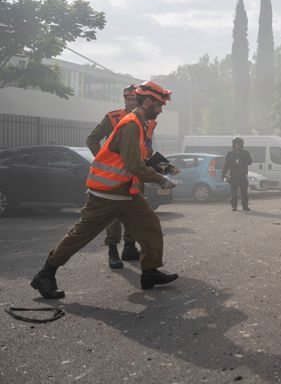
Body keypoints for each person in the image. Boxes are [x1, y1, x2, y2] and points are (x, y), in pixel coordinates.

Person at [30, 81, 179, 299]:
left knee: (150, 225)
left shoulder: (140, 124)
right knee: (80, 235)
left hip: (126, 193)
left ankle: (149, 272)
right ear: (148, 102)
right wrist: (160, 179)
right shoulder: (130, 125)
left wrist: (166, 169)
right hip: (106, 195)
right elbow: (133, 165)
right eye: (159, 105)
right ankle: (45, 275)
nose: (161, 109)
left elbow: (141, 157)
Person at [86, 84, 142, 269]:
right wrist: (105, 161)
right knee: (114, 215)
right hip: (116, 175)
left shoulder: (145, 120)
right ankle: (113, 252)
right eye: (129, 98)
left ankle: (129, 247)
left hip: (134, 174)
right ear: (124, 99)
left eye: (135, 99)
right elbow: (92, 139)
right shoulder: (113, 117)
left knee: (134, 212)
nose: (132, 102)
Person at [223, 137, 253, 211]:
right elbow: (226, 165)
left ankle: (245, 206)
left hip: (242, 175)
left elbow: (250, 162)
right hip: (233, 175)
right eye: (235, 144)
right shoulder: (230, 154)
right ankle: (234, 206)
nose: (237, 146)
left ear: (241, 145)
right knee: (234, 192)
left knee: (244, 192)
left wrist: (243, 159)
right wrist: (223, 174)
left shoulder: (245, 153)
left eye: (238, 144)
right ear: (234, 145)